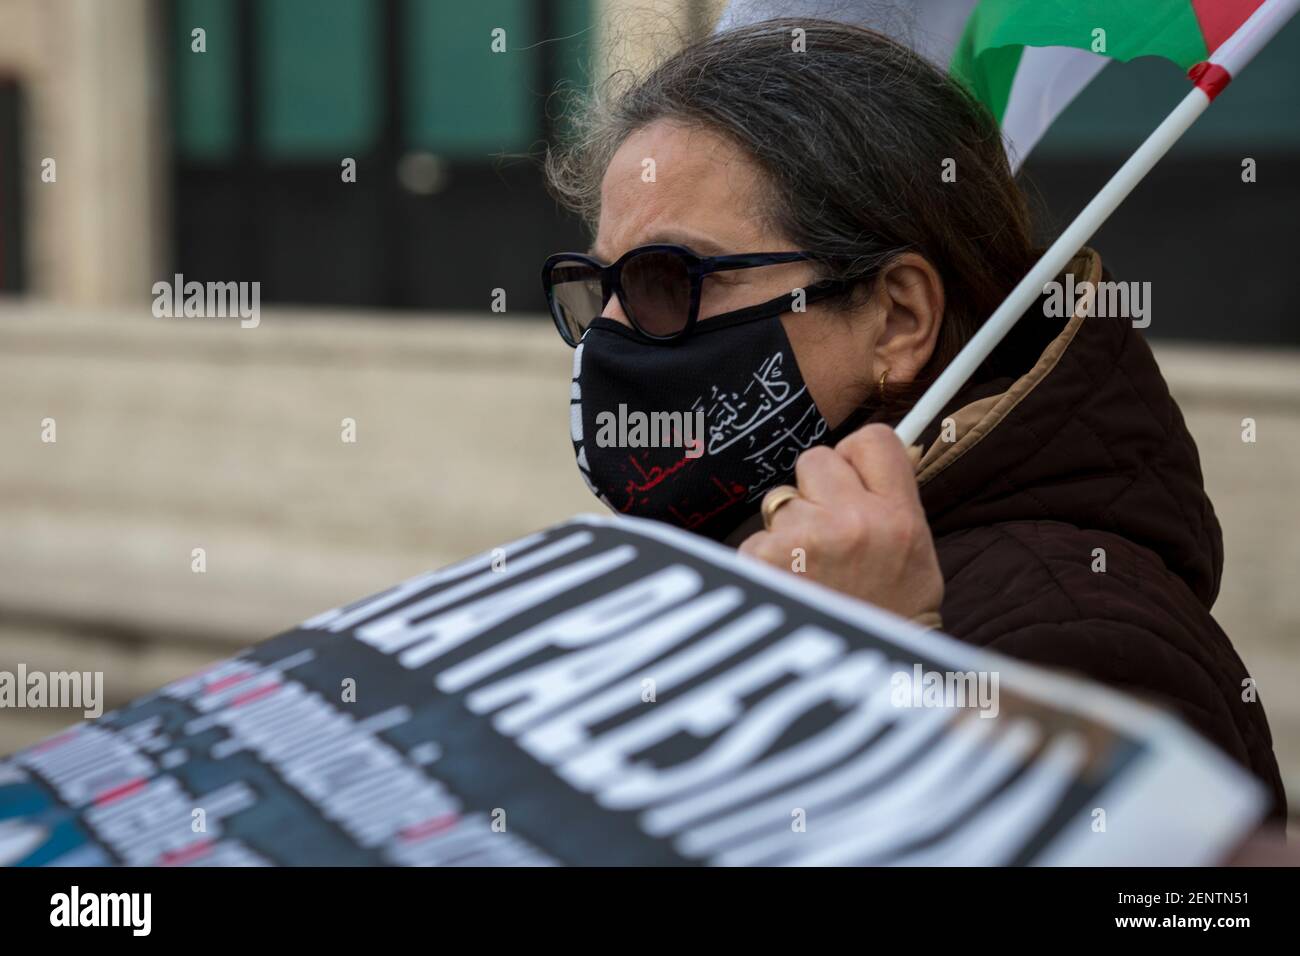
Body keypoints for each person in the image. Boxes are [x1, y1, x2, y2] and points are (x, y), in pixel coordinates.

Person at [541, 20, 1285, 817]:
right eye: (596, 288)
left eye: (665, 278)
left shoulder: (1088, 639)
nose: (611, 336)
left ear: (897, 320)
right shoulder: (715, 564)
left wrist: (888, 680)